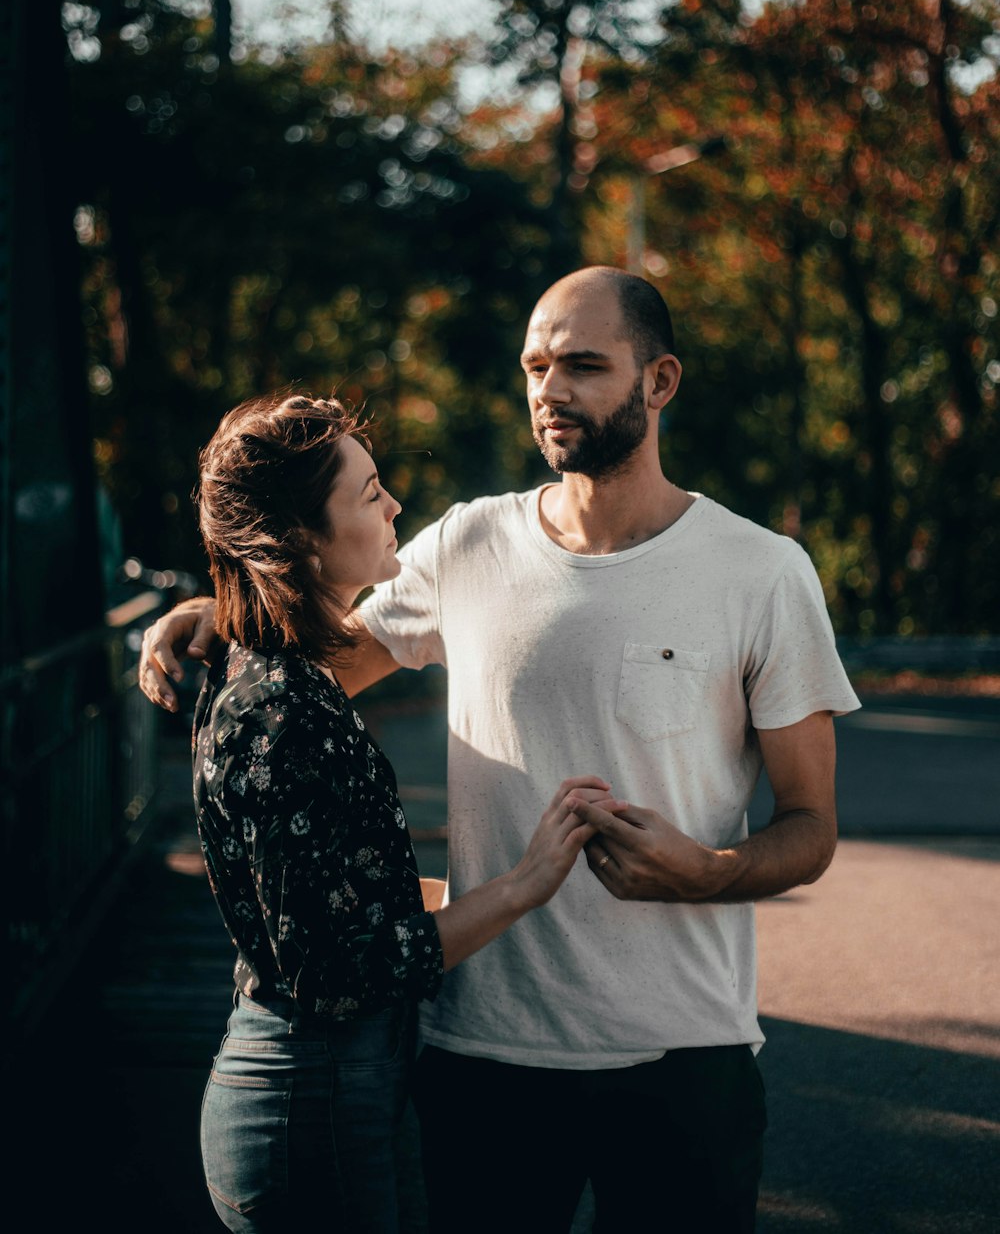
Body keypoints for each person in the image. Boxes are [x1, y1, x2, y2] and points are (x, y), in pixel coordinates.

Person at [143, 267, 860, 1234]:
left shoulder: (764, 573)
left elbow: (810, 828)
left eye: (583, 365)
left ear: (660, 381)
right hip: (482, 1054)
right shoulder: (470, 543)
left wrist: (705, 869)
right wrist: (211, 607)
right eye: (535, 366)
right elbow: (308, 657)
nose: (550, 390)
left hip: (687, 1060)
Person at [186, 391, 613, 1233]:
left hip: (317, 1090)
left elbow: (340, 897)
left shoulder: (277, 676)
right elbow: (341, 969)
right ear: (302, 538)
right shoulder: (282, 707)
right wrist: (523, 885)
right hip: (310, 1099)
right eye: (368, 492)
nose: (393, 506)